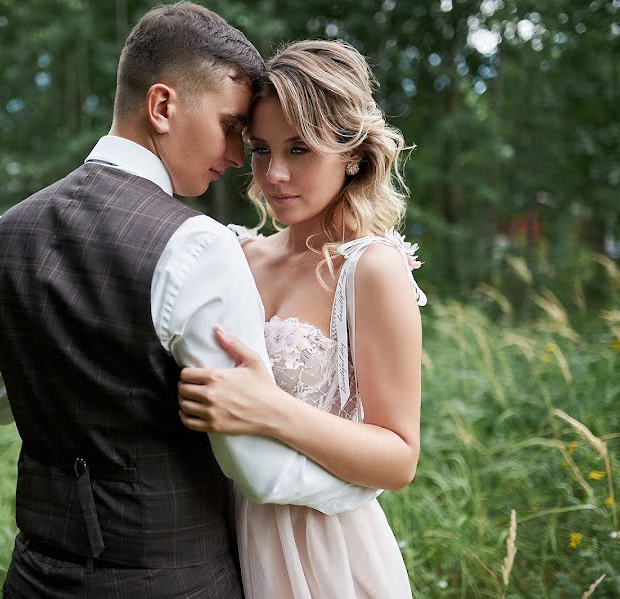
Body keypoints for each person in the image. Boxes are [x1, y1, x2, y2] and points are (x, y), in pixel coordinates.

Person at [0, 6, 380, 598]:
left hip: (33, 577)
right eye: (231, 126)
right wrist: (364, 490)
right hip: (172, 580)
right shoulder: (200, 246)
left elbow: (0, 401)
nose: (239, 157)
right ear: (162, 107)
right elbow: (256, 472)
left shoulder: (2, 232)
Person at [177, 39, 426, 598]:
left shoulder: (371, 270)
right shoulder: (240, 257)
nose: (276, 174)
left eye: (300, 149)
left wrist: (271, 411)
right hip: (217, 540)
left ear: (354, 154)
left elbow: (398, 458)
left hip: (321, 551)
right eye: (262, 150)